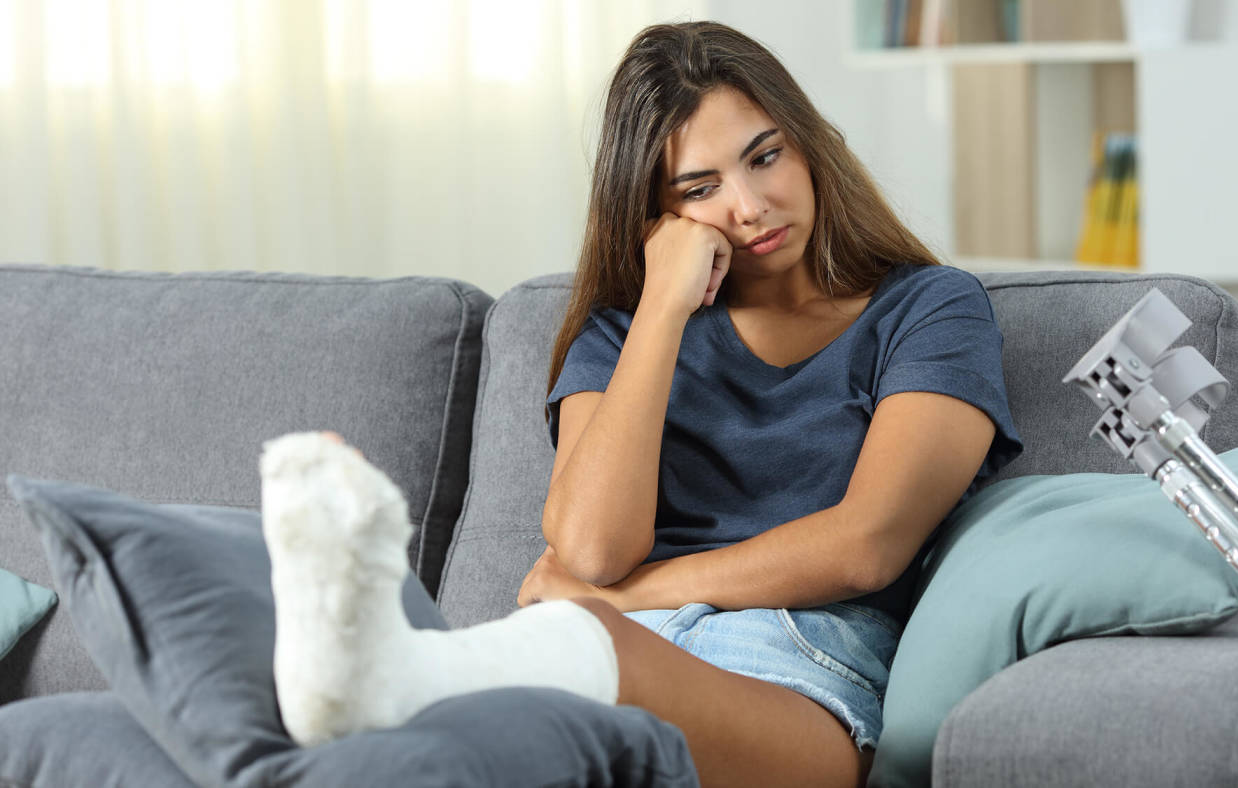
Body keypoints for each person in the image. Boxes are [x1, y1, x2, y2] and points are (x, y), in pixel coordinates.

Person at [261, 20, 1021, 788]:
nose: (751, 206)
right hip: (611, 643)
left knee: (569, 663)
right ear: (656, 214)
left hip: (802, 667)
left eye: (765, 156)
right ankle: (381, 683)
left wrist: (621, 598)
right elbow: (591, 546)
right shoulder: (622, 334)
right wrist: (662, 305)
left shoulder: (930, 310)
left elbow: (867, 547)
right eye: (700, 188)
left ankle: (391, 669)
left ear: (808, 143)